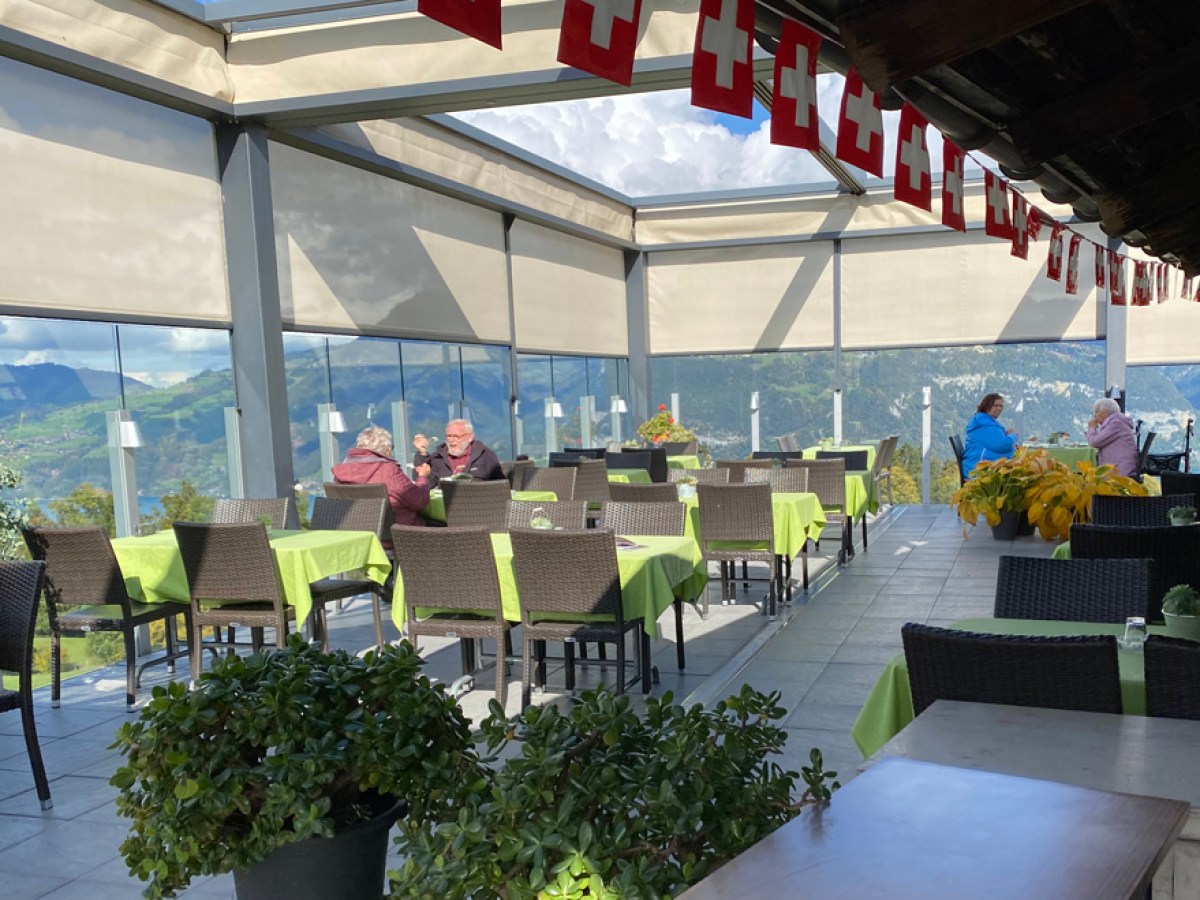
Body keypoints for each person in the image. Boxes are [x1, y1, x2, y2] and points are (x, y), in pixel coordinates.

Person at [332, 425, 432, 527]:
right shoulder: (388, 470)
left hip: (357, 534)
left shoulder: (342, 471)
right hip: (399, 535)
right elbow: (418, 501)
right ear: (388, 451)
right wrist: (422, 477)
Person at [413, 419, 504, 484]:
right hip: (446, 506)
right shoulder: (438, 457)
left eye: (456, 436)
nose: (451, 440)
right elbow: (423, 485)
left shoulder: (485, 455)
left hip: (478, 505)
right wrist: (422, 453)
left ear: (470, 437)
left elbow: (500, 485)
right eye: (448, 436)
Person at [961, 392, 1018, 478]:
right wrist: (1013, 435)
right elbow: (1002, 445)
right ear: (986, 406)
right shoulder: (984, 424)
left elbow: (994, 441)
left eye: (1001, 406)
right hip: (979, 471)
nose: (999, 408)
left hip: (981, 467)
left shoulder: (984, 421)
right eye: (995, 405)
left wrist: (1006, 436)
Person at [1085, 397, 1138, 478]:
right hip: (1116, 466)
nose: (1095, 415)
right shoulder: (1115, 422)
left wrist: (1091, 428)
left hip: (1119, 469)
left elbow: (1095, 442)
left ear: (1106, 412)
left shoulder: (1116, 423)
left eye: (1097, 411)